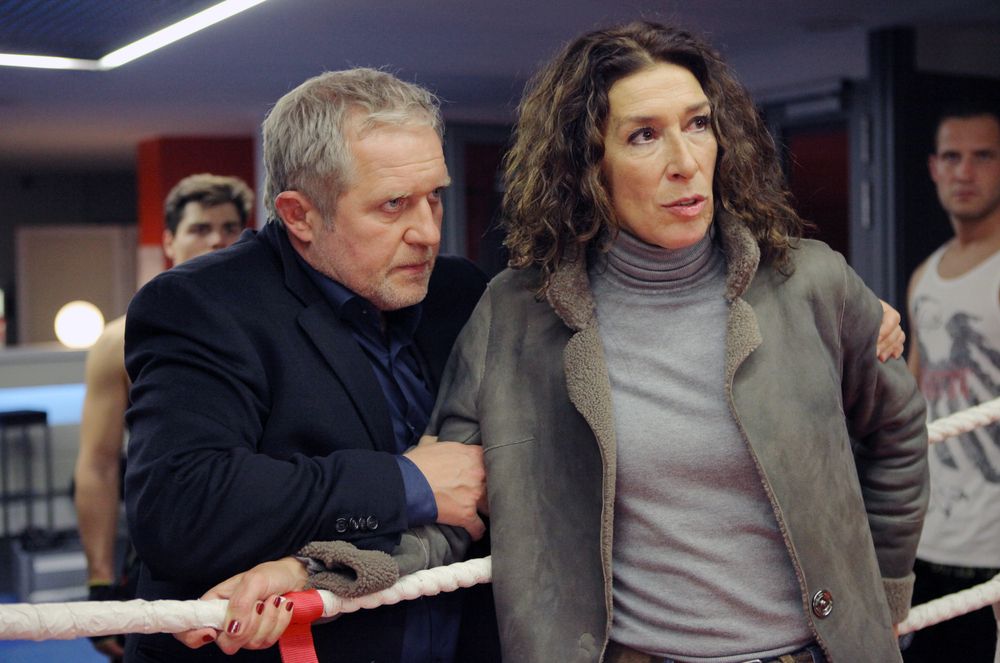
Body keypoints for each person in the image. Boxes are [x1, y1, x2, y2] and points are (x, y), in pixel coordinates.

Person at [423, 21, 927, 663]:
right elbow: (448, 491)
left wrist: (882, 593)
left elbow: (899, 431)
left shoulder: (809, 282)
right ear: (588, 166)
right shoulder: (517, 312)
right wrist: (327, 571)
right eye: (644, 135)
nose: (685, 162)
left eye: (698, 124)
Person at [122, 68, 495, 663]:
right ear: (299, 215)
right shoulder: (204, 304)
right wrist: (407, 484)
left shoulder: (460, 293)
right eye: (393, 205)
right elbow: (180, 505)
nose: (428, 232)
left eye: (434, 196)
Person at [72, 172, 253, 662]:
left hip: (260, 553)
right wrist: (100, 582)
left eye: (230, 227)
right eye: (200, 228)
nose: (217, 240)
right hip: (163, 555)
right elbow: (98, 465)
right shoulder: (121, 339)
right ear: (170, 242)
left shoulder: (268, 330)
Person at [904, 102, 1000, 663]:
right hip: (930, 541)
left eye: (983, 156)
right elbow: (909, 407)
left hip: (993, 553)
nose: (965, 172)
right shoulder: (927, 274)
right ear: (935, 168)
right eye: (952, 157)